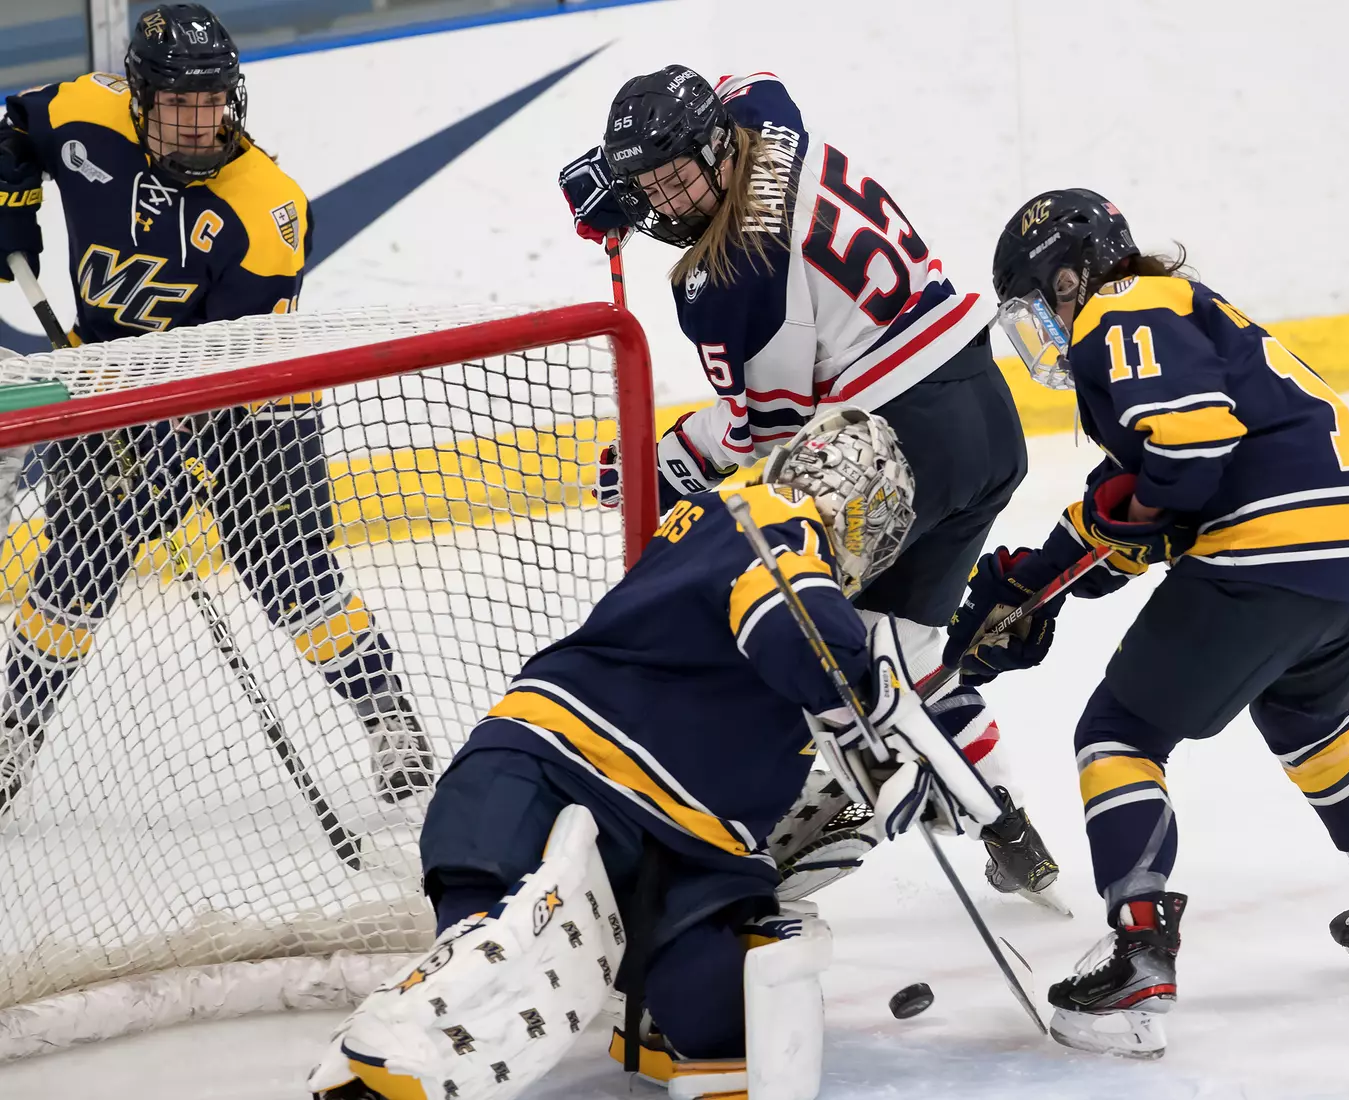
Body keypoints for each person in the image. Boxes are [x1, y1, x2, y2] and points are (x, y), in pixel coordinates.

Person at [308, 410, 1006, 1100]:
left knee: (736, 1030)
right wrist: (864, 711)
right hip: (558, 776)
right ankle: (391, 1059)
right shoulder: (771, 527)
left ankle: (631, 1006)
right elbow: (793, 620)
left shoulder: (721, 519)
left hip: (651, 842)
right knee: (496, 957)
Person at [949, 189, 1349, 1059]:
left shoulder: (1125, 307)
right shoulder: (1187, 314)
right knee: (1310, 720)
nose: (1043, 331)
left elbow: (1183, 460)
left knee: (1118, 734)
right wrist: (1040, 584)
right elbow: (1151, 507)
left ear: (1073, 276)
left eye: (1041, 306)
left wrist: (1104, 532)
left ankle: (1139, 953)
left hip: (1271, 552)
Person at [558, 65, 1055, 904]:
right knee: (908, 652)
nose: (666, 202)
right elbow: (750, 78)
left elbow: (776, 439)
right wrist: (624, 173)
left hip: (903, 447)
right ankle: (1012, 831)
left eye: (677, 177)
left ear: (716, 148)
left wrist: (665, 462)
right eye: (649, 184)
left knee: (798, 644)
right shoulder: (763, 119)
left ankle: (759, 853)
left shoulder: (730, 285)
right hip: (982, 410)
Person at [0, 4, 431, 812]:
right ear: (137, 98)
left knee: (290, 574)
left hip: (254, 400)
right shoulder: (85, 113)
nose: (199, 124)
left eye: (213, 103)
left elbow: (234, 365)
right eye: (177, 106)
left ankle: (390, 719)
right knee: (75, 572)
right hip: (110, 387)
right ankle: (13, 734)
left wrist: (169, 458)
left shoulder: (266, 211)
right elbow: (16, 128)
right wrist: (11, 200)